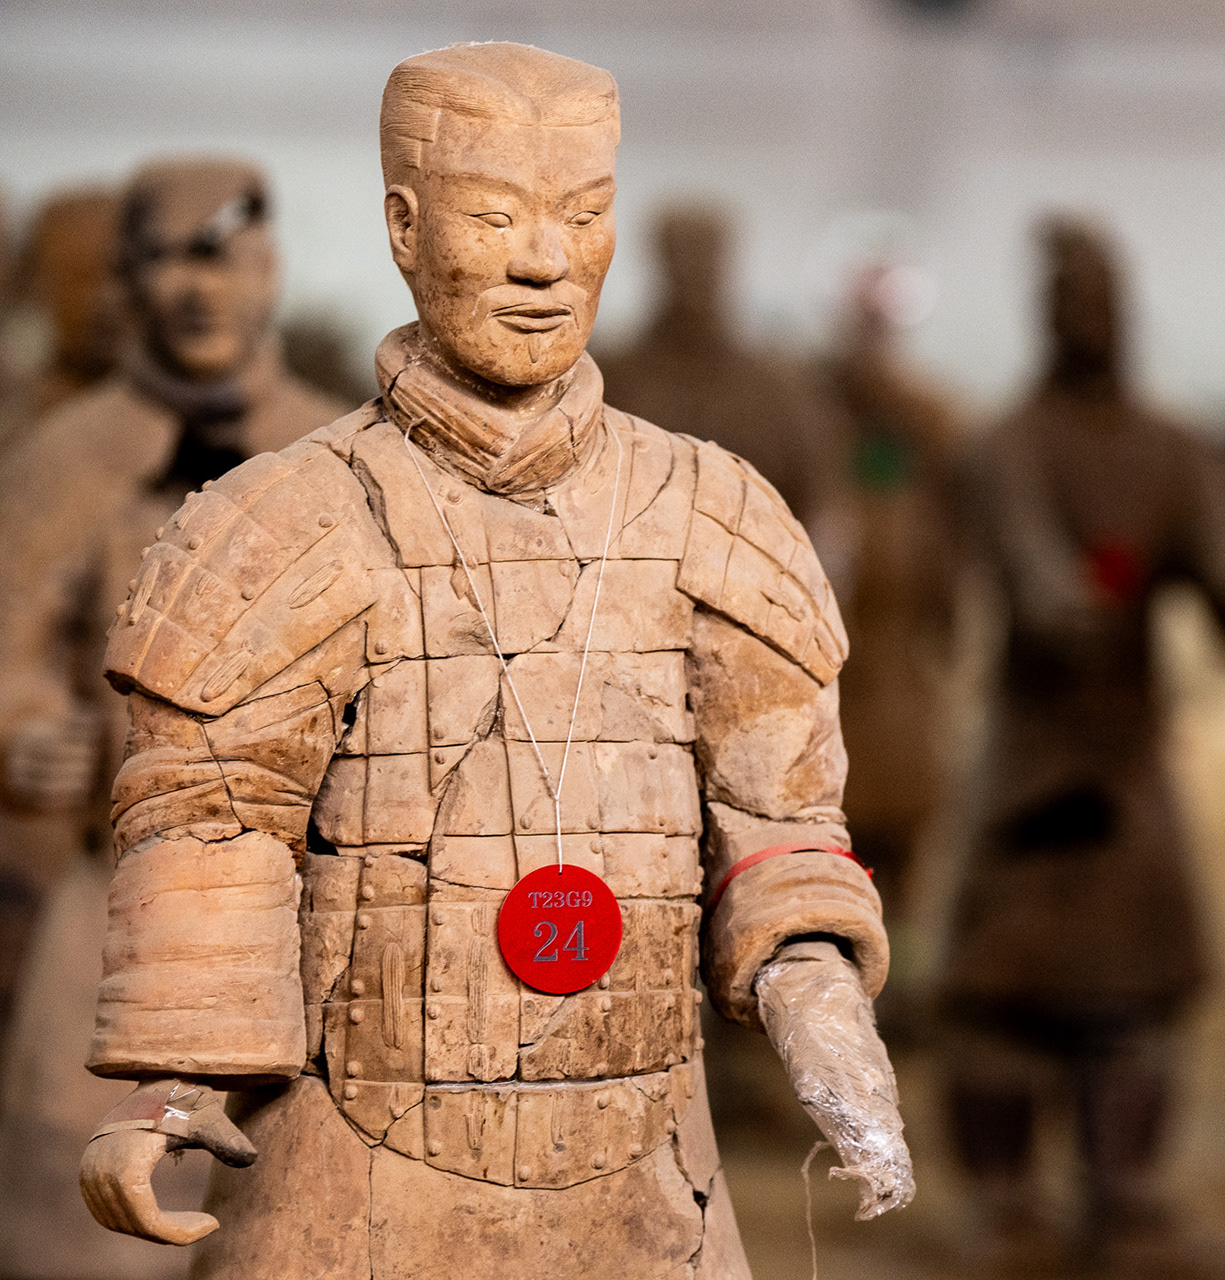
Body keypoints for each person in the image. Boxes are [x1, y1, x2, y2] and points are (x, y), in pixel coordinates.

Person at [74, 43, 911, 1278]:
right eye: (492, 216)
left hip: (640, 1168)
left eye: (583, 214)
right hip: (353, 1169)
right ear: (405, 229)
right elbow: (217, 815)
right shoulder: (286, 521)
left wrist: (821, 999)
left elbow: (779, 808)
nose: (543, 259)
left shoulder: (713, 512)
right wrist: (172, 1080)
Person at [0, 157, 349, 1280]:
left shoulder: (339, 454)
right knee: (83, 1200)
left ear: (270, 269)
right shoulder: (66, 457)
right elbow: (9, 635)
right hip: (115, 896)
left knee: (299, 1202)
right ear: (125, 286)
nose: (197, 293)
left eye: (224, 258)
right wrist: (21, 726)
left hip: (307, 905)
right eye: (162, 263)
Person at [937, 215, 1225, 1266]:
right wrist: (1057, 595)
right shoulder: (1010, 442)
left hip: (1129, 756)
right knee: (1003, 989)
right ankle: (1006, 1194)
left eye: (1106, 303)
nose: (1093, 323)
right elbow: (1028, 555)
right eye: (1073, 305)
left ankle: (1121, 1184)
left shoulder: (1172, 446)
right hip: (1035, 757)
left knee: (1136, 991)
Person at [598, 204, 856, 589]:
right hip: (624, 593)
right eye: (682, 255)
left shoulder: (777, 388)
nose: (694, 271)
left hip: (753, 595)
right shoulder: (611, 377)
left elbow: (820, 509)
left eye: (705, 257)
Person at [820, 259, 962, 905]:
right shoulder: (811, 416)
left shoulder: (926, 422)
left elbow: (946, 573)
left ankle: (892, 983)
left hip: (898, 674)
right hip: (824, 677)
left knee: (895, 854)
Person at [0, 187, 123, 452]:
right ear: (38, 285)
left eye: (119, 273)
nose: (105, 299)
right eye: (79, 278)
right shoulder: (16, 424)